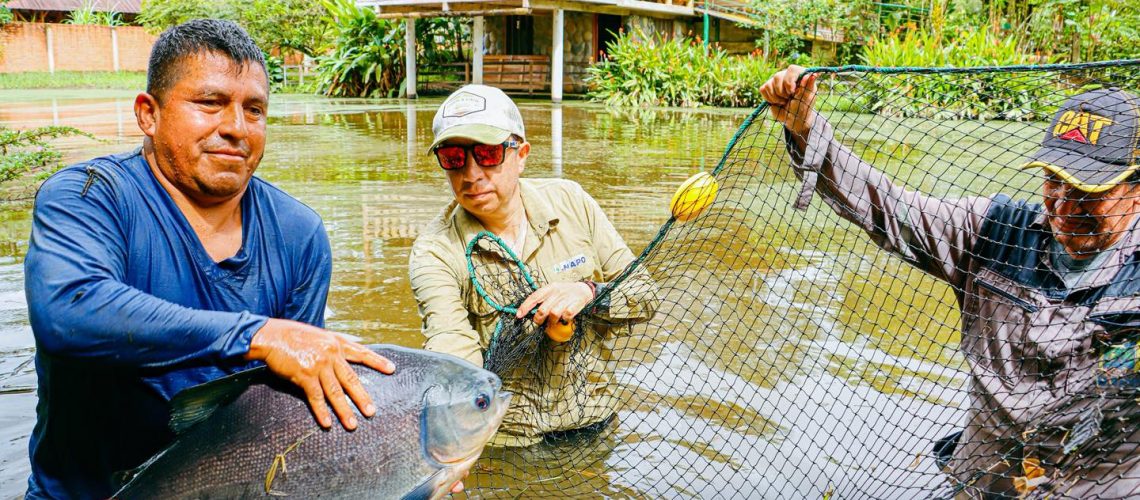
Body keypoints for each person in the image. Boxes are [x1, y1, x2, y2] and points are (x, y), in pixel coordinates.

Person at [22, 20, 401, 498]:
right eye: (210, 103)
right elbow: (69, 312)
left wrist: (406, 467)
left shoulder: (298, 234)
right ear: (148, 114)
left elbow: (292, 414)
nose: (236, 129)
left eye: (255, 110)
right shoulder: (90, 197)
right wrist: (259, 335)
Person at [761, 66, 1140, 497]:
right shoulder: (992, 231)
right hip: (981, 486)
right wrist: (806, 129)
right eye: (1054, 179)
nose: (1065, 204)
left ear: (1136, 189)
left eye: (1088, 189)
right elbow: (887, 206)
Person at [408, 84, 658, 447]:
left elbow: (645, 294)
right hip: (509, 447)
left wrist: (587, 292)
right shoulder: (435, 251)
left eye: (487, 153)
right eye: (453, 158)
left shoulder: (572, 202)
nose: (471, 173)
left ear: (521, 153)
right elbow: (453, 355)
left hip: (594, 426)